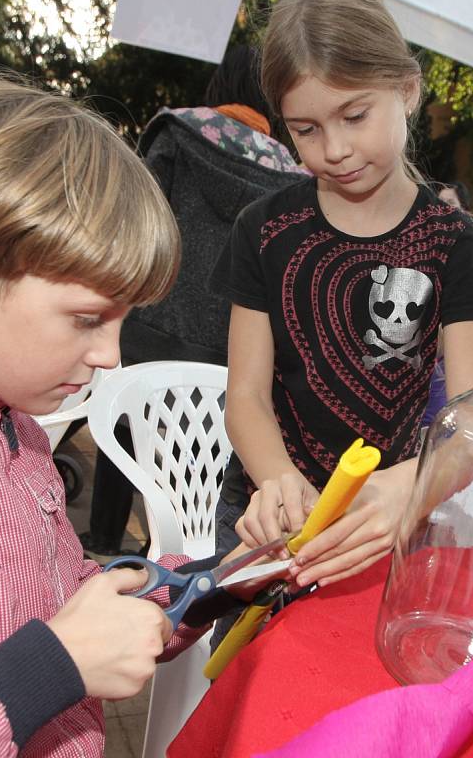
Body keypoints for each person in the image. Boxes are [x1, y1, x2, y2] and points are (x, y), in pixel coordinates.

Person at [0, 74, 291, 756]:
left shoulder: (14, 430)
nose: (108, 355)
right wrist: (50, 670)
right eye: (86, 319)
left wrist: (209, 583)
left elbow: (55, 600)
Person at [210, 0, 473, 648]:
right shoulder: (262, 228)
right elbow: (245, 395)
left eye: (353, 116)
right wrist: (276, 479)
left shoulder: (454, 245)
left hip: (385, 517)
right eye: (305, 129)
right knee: (248, 676)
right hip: (266, 509)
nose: (333, 150)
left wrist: (417, 486)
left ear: (406, 89)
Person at [79, 44, 307, 561]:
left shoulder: (176, 132)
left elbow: (132, 223)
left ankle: (106, 537)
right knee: (205, 457)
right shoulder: (292, 174)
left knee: (124, 424)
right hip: (232, 346)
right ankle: (186, 546)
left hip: (150, 323)